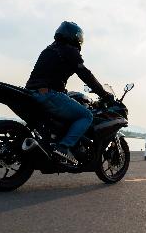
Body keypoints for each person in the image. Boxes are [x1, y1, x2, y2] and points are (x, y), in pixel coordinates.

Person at [25, 21, 113, 165]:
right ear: (73, 36)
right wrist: (104, 94)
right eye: (79, 37)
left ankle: (51, 143)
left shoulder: (49, 50)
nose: (79, 40)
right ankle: (64, 147)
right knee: (86, 115)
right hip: (48, 95)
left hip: (31, 93)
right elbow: (85, 74)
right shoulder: (69, 51)